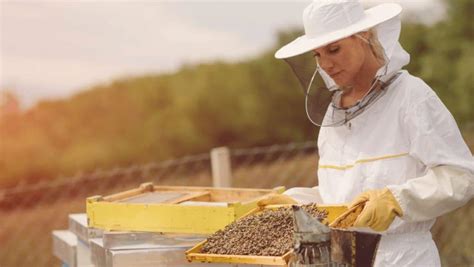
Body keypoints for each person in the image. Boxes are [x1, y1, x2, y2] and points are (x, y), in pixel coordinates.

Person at [258, 0, 474, 266]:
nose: (325, 64)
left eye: (334, 49)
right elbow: (341, 196)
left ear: (366, 37)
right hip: (340, 257)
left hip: (402, 258)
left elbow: (462, 176)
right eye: (317, 55)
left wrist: (400, 200)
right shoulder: (334, 114)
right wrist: (297, 201)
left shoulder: (411, 97)